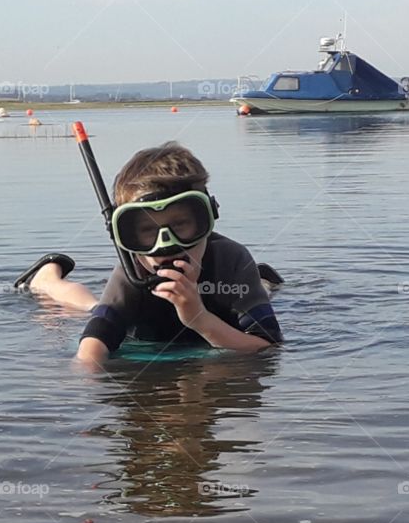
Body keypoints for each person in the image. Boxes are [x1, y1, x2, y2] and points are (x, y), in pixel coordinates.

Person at [18, 141, 282, 365]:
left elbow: (267, 347)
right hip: (132, 310)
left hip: (229, 290)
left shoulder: (231, 261)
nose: (166, 244)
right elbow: (89, 355)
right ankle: (47, 280)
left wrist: (199, 319)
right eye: (147, 230)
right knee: (94, 308)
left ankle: (260, 280)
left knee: (245, 287)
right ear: (126, 234)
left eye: (180, 225)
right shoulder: (133, 272)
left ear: (207, 217)